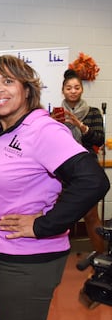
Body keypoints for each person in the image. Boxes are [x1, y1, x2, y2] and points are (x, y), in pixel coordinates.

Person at [0, 55, 110, 320]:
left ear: (27, 88)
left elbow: (93, 180)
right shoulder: (3, 133)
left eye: (8, 81)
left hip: (26, 259)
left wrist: (44, 225)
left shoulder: (42, 130)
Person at [52, 68, 106, 253]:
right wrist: (52, 125)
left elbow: (98, 139)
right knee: (59, 215)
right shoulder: (55, 114)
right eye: (69, 88)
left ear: (82, 89)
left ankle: (101, 262)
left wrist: (79, 125)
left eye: (76, 87)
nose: (73, 91)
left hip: (86, 169)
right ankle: (55, 259)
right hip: (61, 170)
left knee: (91, 217)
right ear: (63, 90)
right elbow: (49, 143)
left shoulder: (93, 112)